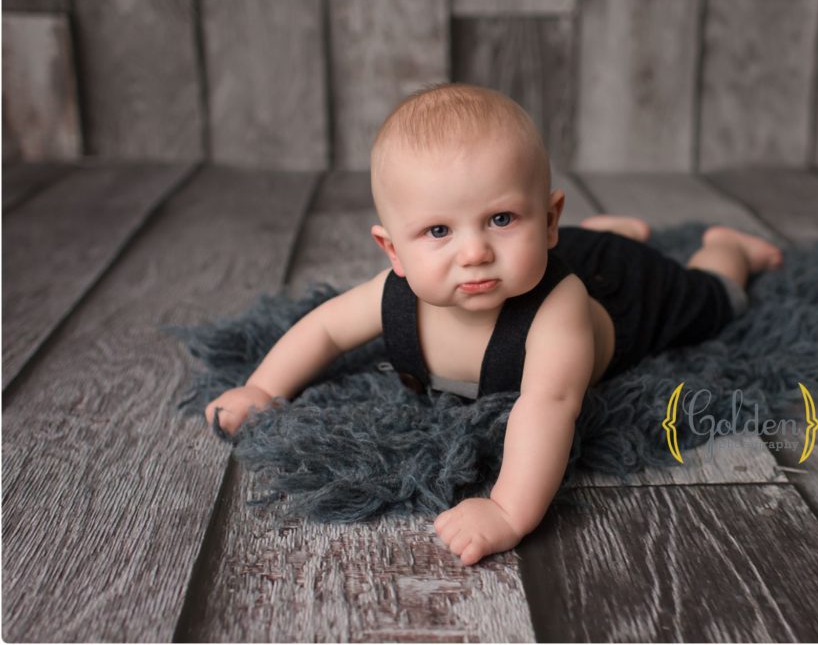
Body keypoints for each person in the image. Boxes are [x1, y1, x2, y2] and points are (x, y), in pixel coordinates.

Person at [205, 83, 783, 566]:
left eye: (500, 218)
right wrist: (262, 388)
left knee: (714, 302)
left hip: (625, 295)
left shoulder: (557, 310)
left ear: (548, 218)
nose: (475, 252)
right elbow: (325, 328)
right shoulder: (395, 294)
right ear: (393, 250)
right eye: (438, 231)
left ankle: (726, 249)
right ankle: (604, 231)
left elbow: (548, 405)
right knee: (559, 248)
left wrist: (507, 510)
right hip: (552, 250)